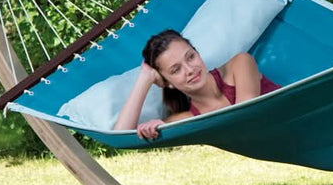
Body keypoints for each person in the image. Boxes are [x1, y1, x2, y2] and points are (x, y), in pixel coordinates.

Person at [115, 29, 280, 141]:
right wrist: (145, 78)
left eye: (191, 57)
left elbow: (245, 116)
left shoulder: (240, 64)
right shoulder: (187, 118)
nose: (190, 70)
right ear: (168, 83)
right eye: (176, 70)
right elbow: (120, 136)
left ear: (198, 53)